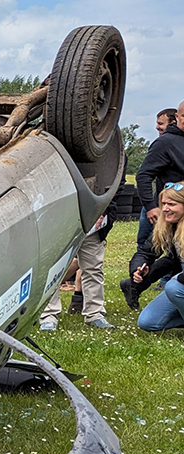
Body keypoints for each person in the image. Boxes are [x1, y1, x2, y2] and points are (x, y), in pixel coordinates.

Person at [123, 101, 184, 307]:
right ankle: (137, 281)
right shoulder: (166, 142)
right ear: (178, 117)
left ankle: (139, 286)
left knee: (173, 256)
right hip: (170, 209)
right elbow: (143, 175)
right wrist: (151, 206)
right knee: (154, 248)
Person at [39, 198, 118, 331]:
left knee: (93, 268)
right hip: (58, 216)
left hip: (93, 218)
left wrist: (103, 212)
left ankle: (95, 314)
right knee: (53, 268)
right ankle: (48, 316)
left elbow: (114, 187)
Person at [136, 184, 184, 331]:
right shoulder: (170, 227)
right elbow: (146, 252)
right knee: (147, 322)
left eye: (171, 204)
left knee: (173, 287)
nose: (164, 209)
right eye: (163, 204)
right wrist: (141, 270)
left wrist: (179, 278)